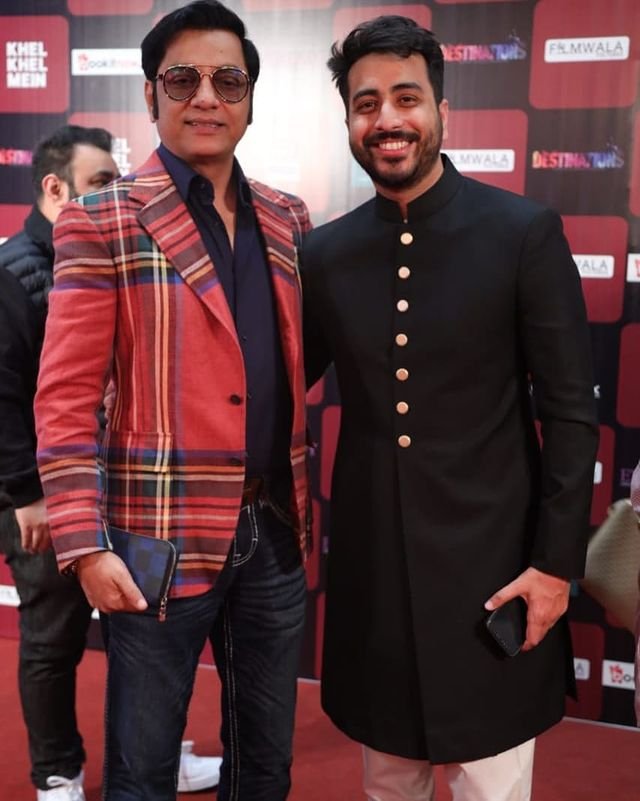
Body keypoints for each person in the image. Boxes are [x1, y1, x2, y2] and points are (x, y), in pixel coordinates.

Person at [301, 15, 599, 801]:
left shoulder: (521, 233)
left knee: (490, 786)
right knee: (388, 782)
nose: (387, 119)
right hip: (374, 576)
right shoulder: (324, 253)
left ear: (441, 110)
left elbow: (571, 413)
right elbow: (270, 383)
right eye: (366, 103)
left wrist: (555, 567)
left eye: (406, 98)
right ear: (348, 121)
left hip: (496, 573)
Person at [33, 3, 312, 800]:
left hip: (274, 531)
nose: (207, 97)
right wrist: (85, 545)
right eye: (183, 79)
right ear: (151, 95)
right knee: (142, 768)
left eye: (229, 80)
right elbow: (65, 398)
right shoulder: (101, 219)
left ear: (251, 97)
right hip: (153, 540)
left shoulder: (288, 218)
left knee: (266, 764)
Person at [0, 124, 223, 800]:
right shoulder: (12, 273)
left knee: (149, 638)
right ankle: (58, 774)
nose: (115, 194)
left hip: (131, 487)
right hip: (45, 494)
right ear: (54, 188)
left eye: (117, 181)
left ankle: (156, 753)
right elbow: (4, 395)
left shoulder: (129, 252)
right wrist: (28, 494)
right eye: (100, 182)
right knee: (52, 638)